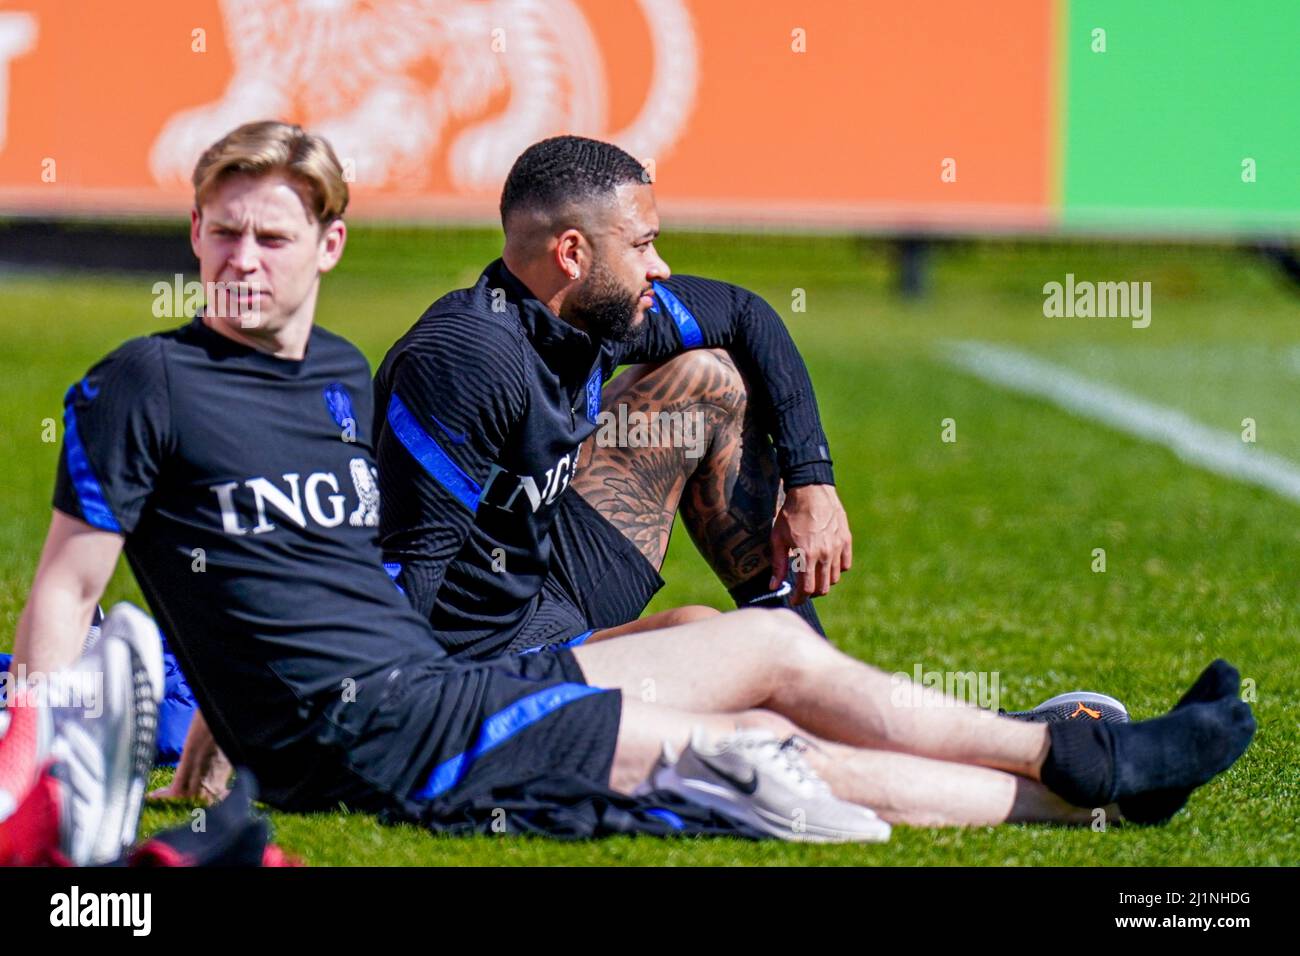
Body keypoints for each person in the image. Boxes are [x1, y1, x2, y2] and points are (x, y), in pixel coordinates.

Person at [15, 122, 1255, 844]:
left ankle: (1078, 764)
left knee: (751, 643)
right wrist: (89, 740)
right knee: (751, 734)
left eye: (273, 237)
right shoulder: (184, 383)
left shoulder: (333, 370)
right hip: (438, 697)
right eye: (224, 234)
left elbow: (290, 580)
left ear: (330, 250)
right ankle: (1069, 776)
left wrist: (810, 481)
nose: (243, 261)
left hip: (458, 670)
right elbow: (315, 584)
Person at [374, 135, 851, 659]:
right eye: (641, 245)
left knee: (704, 379)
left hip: (546, 590)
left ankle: (817, 666)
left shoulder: (586, 315)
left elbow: (744, 313)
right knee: (709, 642)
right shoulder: (468, 362)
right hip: (477, 660)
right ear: (572, 254)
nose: (660, 267)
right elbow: (402, 573)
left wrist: (811, 485)